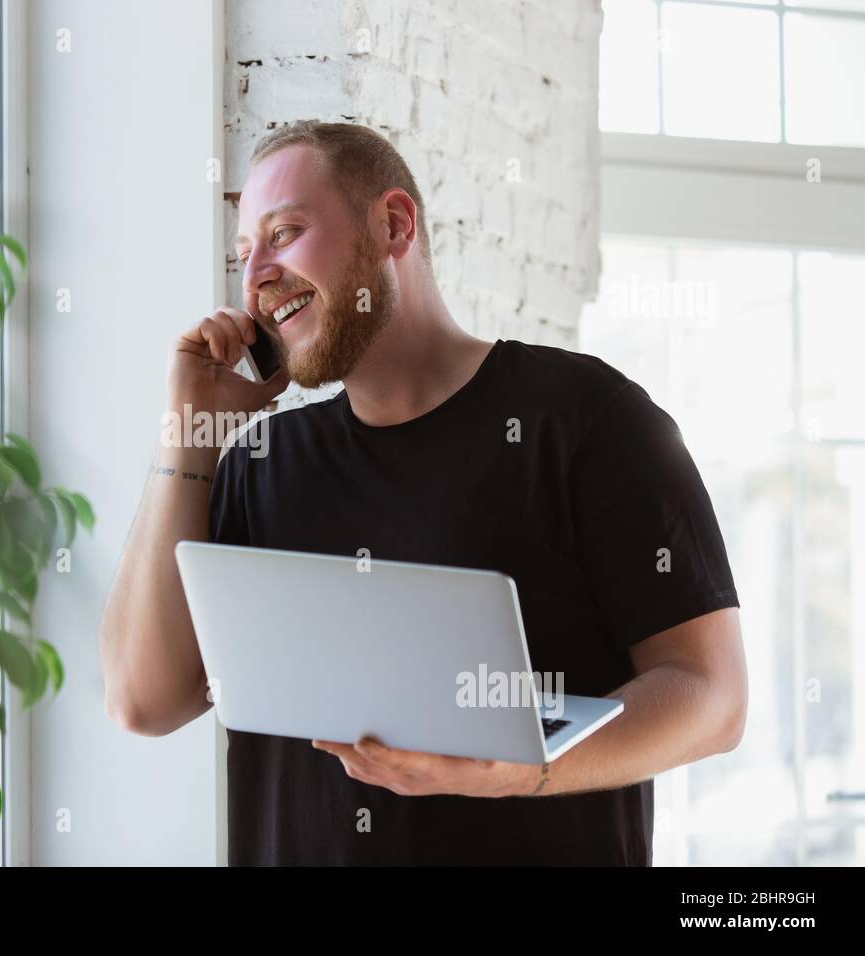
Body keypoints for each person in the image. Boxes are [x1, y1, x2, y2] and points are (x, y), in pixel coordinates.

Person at [99, 120, 746, 865]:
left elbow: (711, 697)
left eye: (285, 233)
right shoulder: (260, 461)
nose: (255, 279)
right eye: (246, 256)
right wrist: (189, 432)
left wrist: (521, 773)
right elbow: (141, 701)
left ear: (394, 225)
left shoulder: (588, 420)